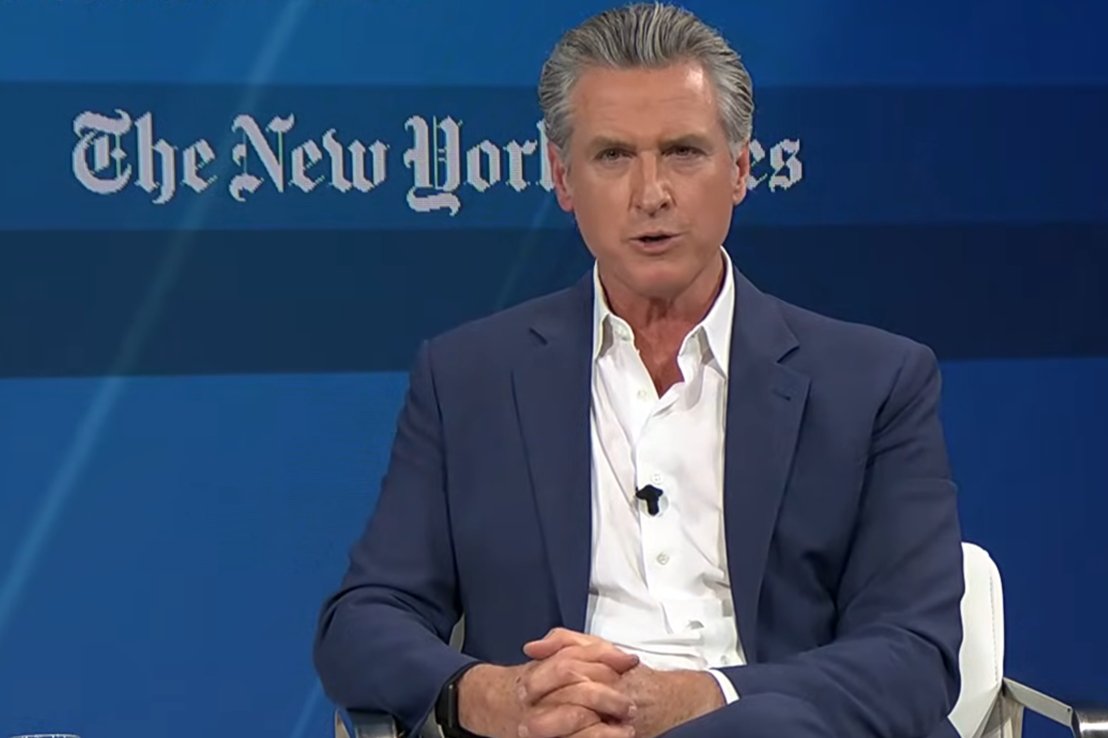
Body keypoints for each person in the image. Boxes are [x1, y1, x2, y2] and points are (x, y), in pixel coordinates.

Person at [312, 3, 965, 737]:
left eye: (684, 152)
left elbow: (914, 654)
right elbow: (363, 621)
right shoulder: (469, 378)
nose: (651, 192)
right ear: (563, 178)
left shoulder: (875, 383)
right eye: (613, 156)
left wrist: (696, 699)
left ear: (742, 169)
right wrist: (492, 694)